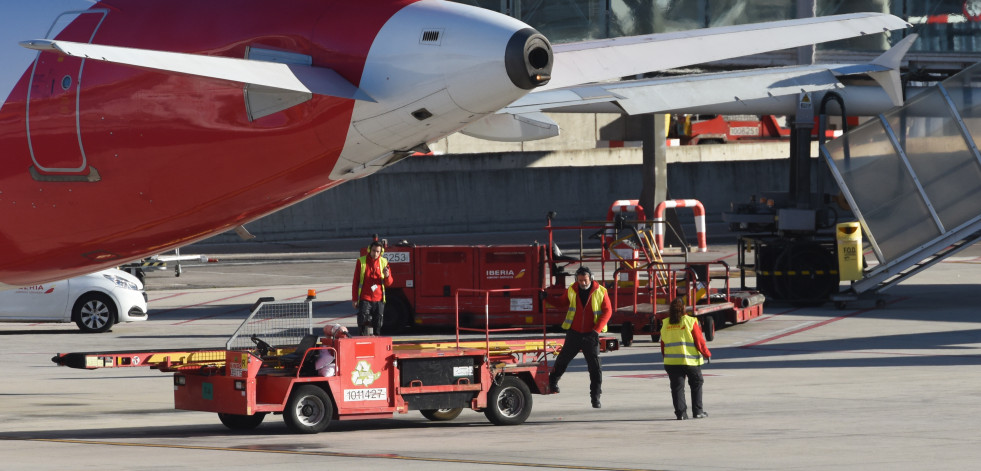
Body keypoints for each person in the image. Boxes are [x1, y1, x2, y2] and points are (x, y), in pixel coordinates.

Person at [548, 265, 612, 409]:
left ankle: (595, 397)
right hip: (574, 333)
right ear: (576, 279)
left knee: (595, 368)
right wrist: (547, 298)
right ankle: (552, 383)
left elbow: (607, 312)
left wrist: (596, 331)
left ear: (591, 278)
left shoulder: (601, 291)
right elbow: (561, 303)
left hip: (591, 335)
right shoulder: (572, 289)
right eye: (580, 280)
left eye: (585, 280)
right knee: (562, 360)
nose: (583, 283)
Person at [659, 297, 712, 420]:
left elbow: (663, 344)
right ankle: (698, 411)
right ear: (684, 308)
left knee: (677, 387)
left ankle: (681, 414)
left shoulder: (665, 323)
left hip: (671, 362)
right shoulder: (690, 321)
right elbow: (699, 341)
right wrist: (707, 354)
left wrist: (665, 357)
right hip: (690, 361)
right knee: (696, 383)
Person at [352, 241, 393, 336]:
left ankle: (377, 341)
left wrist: (387, 276)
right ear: (369, 250)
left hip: (378, 299)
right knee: (362, 321)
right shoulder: (361, 262)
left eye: (378, 251)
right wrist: (354, 299)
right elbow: (355, 282)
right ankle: (362, 340)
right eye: (374, 251)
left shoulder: (384, 262)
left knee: (378, 323)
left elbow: (389, 283)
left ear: (381, 252)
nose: (375, 254)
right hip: (365, 298)